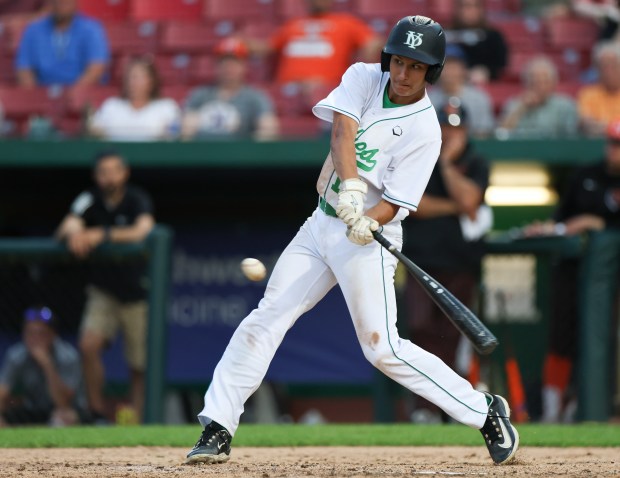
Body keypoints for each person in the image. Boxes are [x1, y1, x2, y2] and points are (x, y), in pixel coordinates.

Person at [185, 16, 518, 466]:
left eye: (415, 67)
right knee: (269, 316)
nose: (402, 74)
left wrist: (367, 221)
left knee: (383, 348)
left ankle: (484, 411)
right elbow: (342, 131)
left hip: (367, 238)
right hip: (320, 223)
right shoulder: (363, 76)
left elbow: (397, 204)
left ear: (431, 72)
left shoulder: (426, 130)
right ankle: (218, 426)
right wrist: (352, 189)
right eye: (398, 62)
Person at [521, 117, 620, 422]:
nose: (616, 152)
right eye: (614, 144)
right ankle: (552, 408)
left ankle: (595, 405)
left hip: (611, 276)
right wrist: (554, 228)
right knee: (562, 335)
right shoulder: (586, 175)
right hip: (571, 269)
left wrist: (598, 223)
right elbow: (561, 219)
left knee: (606, 342)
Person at [402, 99, 491, 423]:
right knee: (421, 331)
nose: (450, 133)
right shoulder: (417, 156)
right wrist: (455, 207)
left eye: (456, 127)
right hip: (420, 263)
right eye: (445, 126)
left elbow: (470, 199)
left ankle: (454, 408)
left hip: (460, 265)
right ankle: (425, 408)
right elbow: (416, 206)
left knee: (455, 338)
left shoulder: (476, 162)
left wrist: (447, 165)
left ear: (466, 131)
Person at [55, 150, 155, 423]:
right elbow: (65, 227)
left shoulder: (136, 198)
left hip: (137, 291)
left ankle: (139, 418)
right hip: (104, 291)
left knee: (139, 364)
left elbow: (143, 230)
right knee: (88, 345)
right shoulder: (89, 198)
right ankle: (96, 413)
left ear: (124, 173)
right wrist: (76, 232)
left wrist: (101, 234)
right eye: (102, 172)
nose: (108, 177)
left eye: (114, 171)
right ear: (96, 175)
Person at [247, 0, 382, 94]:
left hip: (327, 88)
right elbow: (265, 47)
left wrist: (369, 52)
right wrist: (241, 41)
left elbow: (374, 42)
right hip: (287, 88)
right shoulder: (292, 25)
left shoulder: (347, 23)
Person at [0, 306, 85, 427]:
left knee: (62, 419)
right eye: (30, 333)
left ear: (53, 335)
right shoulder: (17, 355)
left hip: (68, 410)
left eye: (41, 333)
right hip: (33, 410)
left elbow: (63, 402)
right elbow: (2, 392)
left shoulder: (68, 356)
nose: (35, 339)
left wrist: (47, 364)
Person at [181, 38, 279, 141]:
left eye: (235, 62)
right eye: (224, 62)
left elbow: (268, 129)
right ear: (216, 66)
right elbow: (186, 132)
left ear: (244, 66)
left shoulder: (256, 98)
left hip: (241, 154)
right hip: (203, 153)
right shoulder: (200, 95)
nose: (229, 67)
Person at [15, 0, 110, 88]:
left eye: (66, 2)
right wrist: (34, 98)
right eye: (58, 2)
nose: (62, 4)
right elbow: (24, 69)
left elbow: (96, 67)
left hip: (81, 96)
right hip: (43, 94)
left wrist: (74, 95)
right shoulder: (33, 30)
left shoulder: (91, 29)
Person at [88, 57, 181, 141]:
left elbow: (176, 136)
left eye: (137, 77)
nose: (132, 82)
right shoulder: (111, 106)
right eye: (129, 77)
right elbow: (95, 133)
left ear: (151, 81)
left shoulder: (166, 107)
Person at [498, 56, 578, 138]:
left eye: (544, 82)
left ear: (553, 83)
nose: (540, 87)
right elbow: (501, 134)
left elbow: (570, 139)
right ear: (525, 83)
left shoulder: (565, 106)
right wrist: (521, 108)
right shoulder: (514, 104)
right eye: (534, 82)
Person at [428, 44, 495, 138]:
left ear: (463, 69)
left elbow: (484, 132)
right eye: (445, 66)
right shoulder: (428, 98)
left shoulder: (478, 98)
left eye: (454, 66)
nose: (449, 71)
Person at [445, 0, 509, 84]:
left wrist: (487, 72)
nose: (469, 11)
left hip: (483, 85)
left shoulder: (493, 36)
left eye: (474, 6)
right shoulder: (446, 35)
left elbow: (501, 66)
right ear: (457, 9)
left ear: (481, 10)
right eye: (465, 6)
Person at [578, 41, 620, 136]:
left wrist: (604, 126)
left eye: (613, 65)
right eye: (604, 66)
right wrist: (614, 128)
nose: (608, 71)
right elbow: (587, 125)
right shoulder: (588, 95)